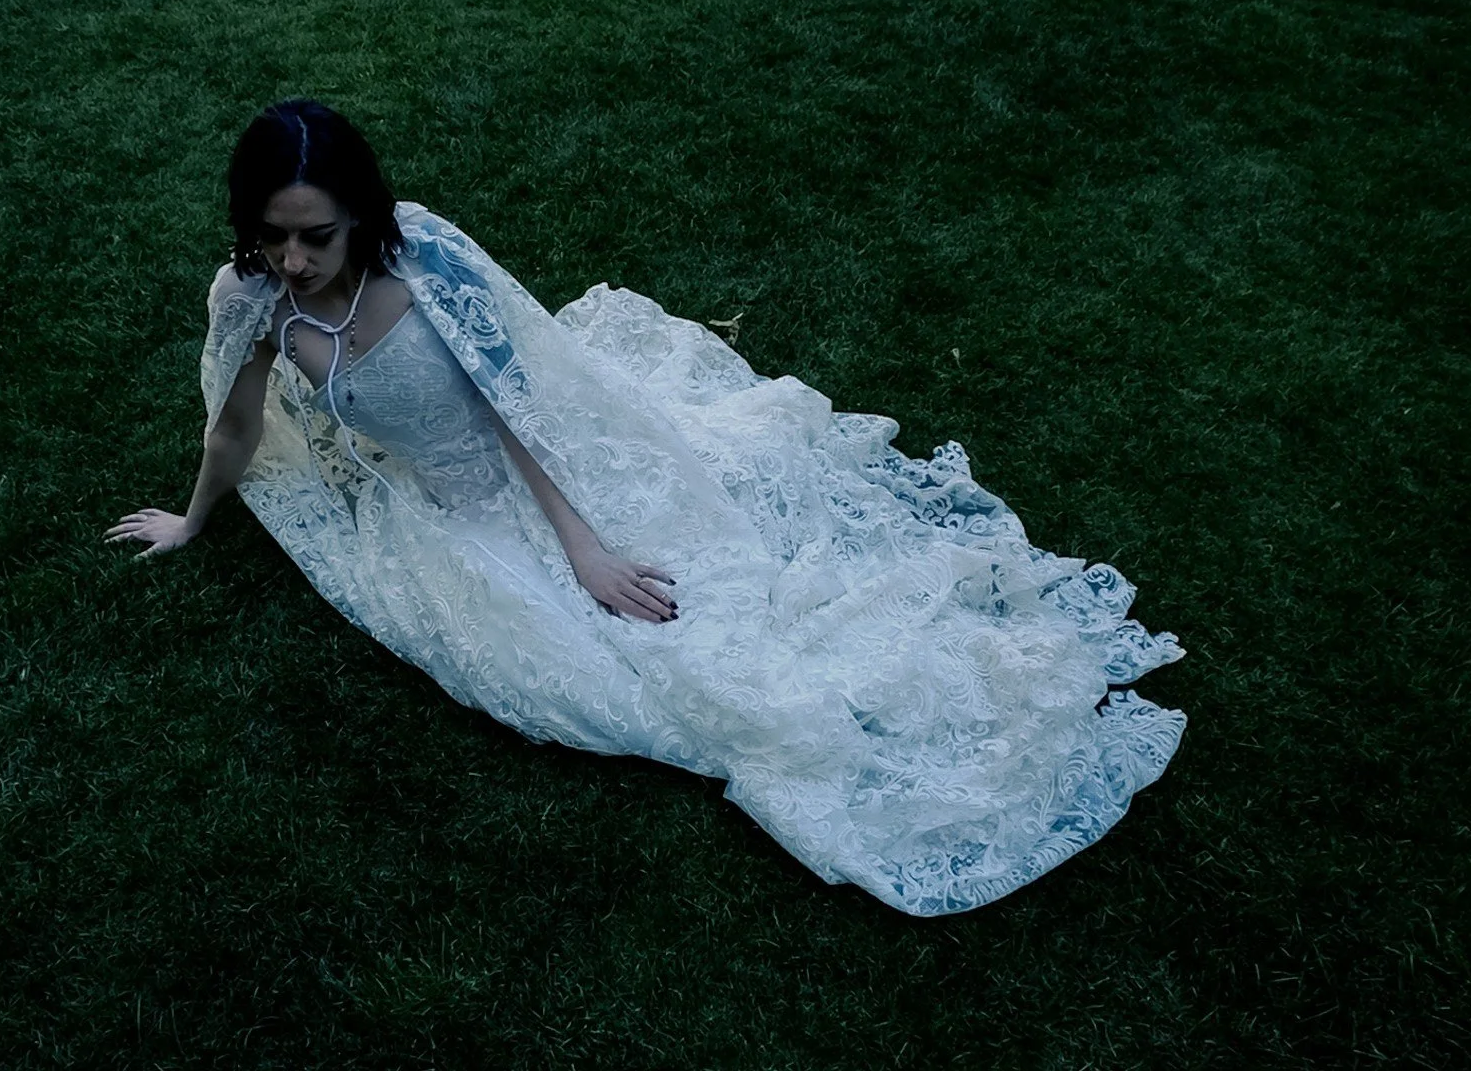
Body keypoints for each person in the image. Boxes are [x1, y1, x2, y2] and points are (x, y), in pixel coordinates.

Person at [105, 99, 1188, 916]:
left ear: (361, 217)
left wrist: (583, 544)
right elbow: (235, 427)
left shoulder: (423, 261)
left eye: (316, 236)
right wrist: (192, 518)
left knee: (699, 624)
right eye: (275, 235)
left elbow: (515, 404)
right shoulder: (250, 296)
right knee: (596, 676)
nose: (294, 260)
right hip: (440, 509)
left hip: (541, 471)